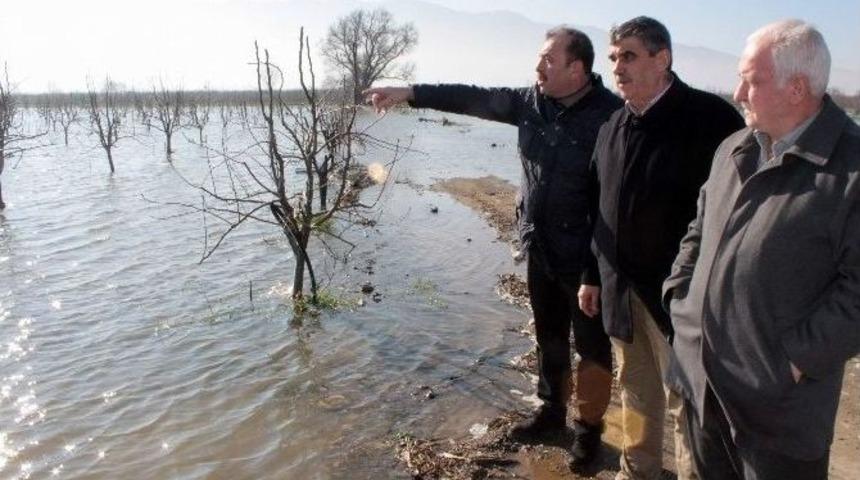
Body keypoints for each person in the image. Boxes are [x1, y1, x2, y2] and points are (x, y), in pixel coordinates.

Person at [364, 26, 621, 466]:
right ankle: (551, 412)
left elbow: (614, 202)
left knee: (593, 351)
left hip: (587, 259)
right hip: (540, 248)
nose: (537, 67)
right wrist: (408, 91)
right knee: (550, 339)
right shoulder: (529, 103)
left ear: (577, 69)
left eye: (547, 60)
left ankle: (590, 431)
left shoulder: (611, 116)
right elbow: (470, 97)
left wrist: (596, 273)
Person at [663, 19, 860, 479]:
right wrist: (681, 300)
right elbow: (698, 229)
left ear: (796, 89)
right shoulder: (734, 148)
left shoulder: (851, 169)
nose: (737, 93)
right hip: (702, 387)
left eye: (751, 81)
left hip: (780, 416)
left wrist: (794, 363)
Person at [577, 16, 743, 480]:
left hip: (684, 298)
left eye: (628, 56)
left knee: (687, 404)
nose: (617, 67)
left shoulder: (712, 121)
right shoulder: (613, 126)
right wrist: (592, 275)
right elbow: (599, 210)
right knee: (635, 393)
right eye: (613, 58)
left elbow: (737, 214)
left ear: (662, 58)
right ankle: (637, 472)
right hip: (621, 291)